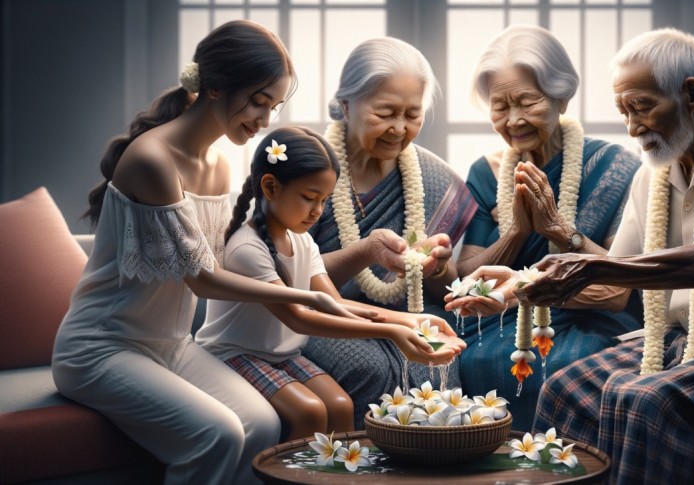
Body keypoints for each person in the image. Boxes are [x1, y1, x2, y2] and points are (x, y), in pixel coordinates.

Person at [52, 20, 367, 484]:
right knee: (217, 433)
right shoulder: (152, 160)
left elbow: (219, 262)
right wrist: (303, 297)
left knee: (261, 422)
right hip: (101, 347)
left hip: (172, 344)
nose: (264, 120)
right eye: (258, 101)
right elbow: (201, 277)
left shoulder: (219, 164)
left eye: (273, 106)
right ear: (214, 86)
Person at [511, 28, 694, 483]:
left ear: (690, 94)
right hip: (672, 342)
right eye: (624, 112)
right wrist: (520, 281)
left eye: (643, 107)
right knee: (563, 387)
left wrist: (589, 266)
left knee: (645, 400)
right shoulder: (651, 175)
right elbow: (617, 279)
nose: (633, 128)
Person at [196, 127, 463, 440]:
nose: (317, 211)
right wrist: (392, 331)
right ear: (270, 187)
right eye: (309, 198)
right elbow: (299, 316)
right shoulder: (246, 248)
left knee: (339, 404)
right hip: (236, 353)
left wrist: (412, 320)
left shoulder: (301, 241)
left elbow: (334, 304)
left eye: (324, 200)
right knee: (310, 411)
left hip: (282, 354)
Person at [445, 24, 643, 430]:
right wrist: (516, 232)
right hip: (505, 314)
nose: (513, 119)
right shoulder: (486, 173)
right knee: (468, 354)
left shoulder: (614, 167)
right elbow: (468, 274)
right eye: (500, 106)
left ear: (561, 97)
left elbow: (621, 284)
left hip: (590, 315)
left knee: (563, 363)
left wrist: (556, 228)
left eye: (527, 102)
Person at [302, 37, 478, 428]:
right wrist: (366, 252)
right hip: (319, 316)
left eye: (412, 114)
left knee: (439, 351)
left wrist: (434, 267)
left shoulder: (431, 176)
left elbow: (443, 292)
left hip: (408, 313)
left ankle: (433, 463)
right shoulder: (308, 170)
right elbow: (289, 279)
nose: (399, 129)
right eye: (385, 113)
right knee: (367, 365)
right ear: (347, 105)